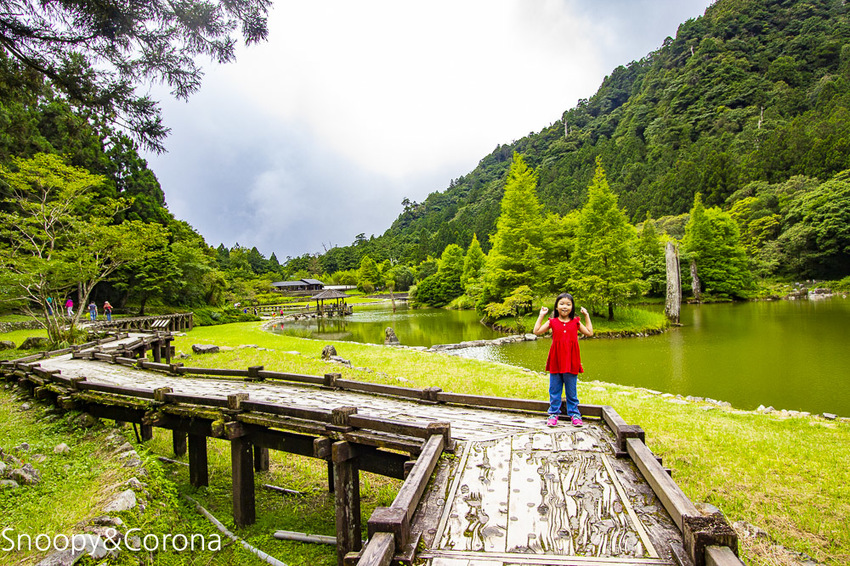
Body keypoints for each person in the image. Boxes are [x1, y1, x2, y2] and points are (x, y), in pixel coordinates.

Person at [533, 292, 593, 427]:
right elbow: (536, 331)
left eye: (568, 304)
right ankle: (553, 413)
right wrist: (541, 315)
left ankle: (574, 414)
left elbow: (589, 332)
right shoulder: (552, 322)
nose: (564, 307)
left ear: (572, 307)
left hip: (572, 359)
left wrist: (586, 316)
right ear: (556, 307)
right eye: (561, 304)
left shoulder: (576, 322)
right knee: (554, 389)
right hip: (556, 359)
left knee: (571, 389)